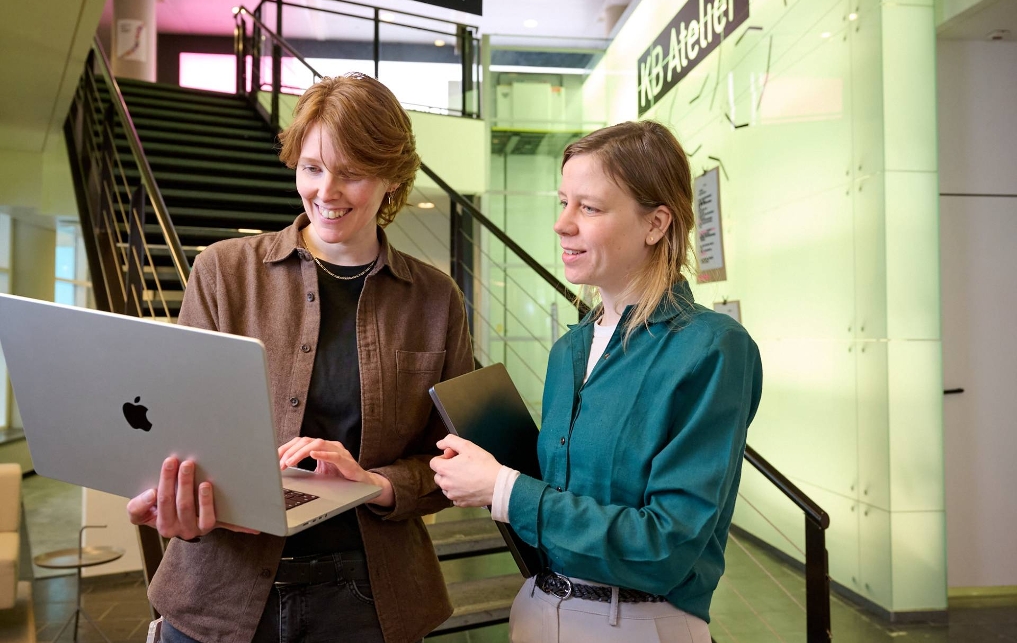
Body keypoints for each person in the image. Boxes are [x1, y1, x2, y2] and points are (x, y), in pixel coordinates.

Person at [126, 73, 474, 643]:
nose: (325, 191)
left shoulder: (436, 299)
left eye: (351, 173)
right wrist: (178, 494)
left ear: (392, 177)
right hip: (217, 593)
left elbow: (455, 461)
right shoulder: (224, 272)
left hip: (367, 602)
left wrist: (373, 482)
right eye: (312, 168)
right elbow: (177, 428)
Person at [430, 120, 763, 642]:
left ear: (655, 224)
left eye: (589, 208)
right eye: (563, 202)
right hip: (538, 607)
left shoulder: (712, 348)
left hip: (634, 622)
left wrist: (503, 489)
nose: (562, 224)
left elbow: (665, 547)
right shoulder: (570, 350)